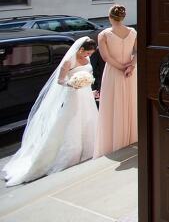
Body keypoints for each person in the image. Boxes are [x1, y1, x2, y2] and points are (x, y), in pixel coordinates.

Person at [2, 37, 98, 186]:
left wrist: (90, 90)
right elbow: (60, 81)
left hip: (86, 97)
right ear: (80, 50)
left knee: (88, 120)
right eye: (87, 53)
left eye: (90, 54)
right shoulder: (68, 62)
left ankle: (88, 149)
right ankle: (69, 154)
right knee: (71, 122)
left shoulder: (87, 60)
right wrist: (72, 83)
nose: (88, 56)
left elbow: (88, 76)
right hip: (72, 96)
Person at [93, 4, 137, 158]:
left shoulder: (104, 34)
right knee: (130, 102)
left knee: (113, 104)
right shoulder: (133, 32)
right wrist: (131, 66)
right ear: (123, 17)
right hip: (130, 73)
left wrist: (121, 68)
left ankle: (115, 141)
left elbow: (106, 57)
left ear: (110, 17)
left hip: (114, 72)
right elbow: (137, 52)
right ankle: (132, 137)